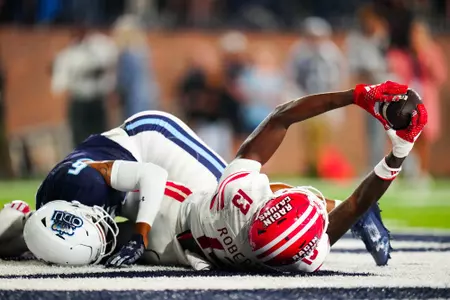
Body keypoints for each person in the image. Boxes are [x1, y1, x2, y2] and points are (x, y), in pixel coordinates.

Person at [3, 81, 425, 271]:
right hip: (172, 224)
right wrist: (397, 157)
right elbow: (343, 212)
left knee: (85, 234)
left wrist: (355, 96)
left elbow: (281, 118)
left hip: (162, 174)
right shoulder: (299, 256)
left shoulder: (234, 203)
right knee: (105, 235)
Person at [0, 110, 226, 267]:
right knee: (182, 235)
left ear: (82, 210)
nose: (105, 235)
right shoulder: (45, 219)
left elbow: (152, 174)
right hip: (122, 182)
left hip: (150, 140)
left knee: (225, 196)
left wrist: (141, 236)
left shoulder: (88, 184)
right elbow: (17, 240)